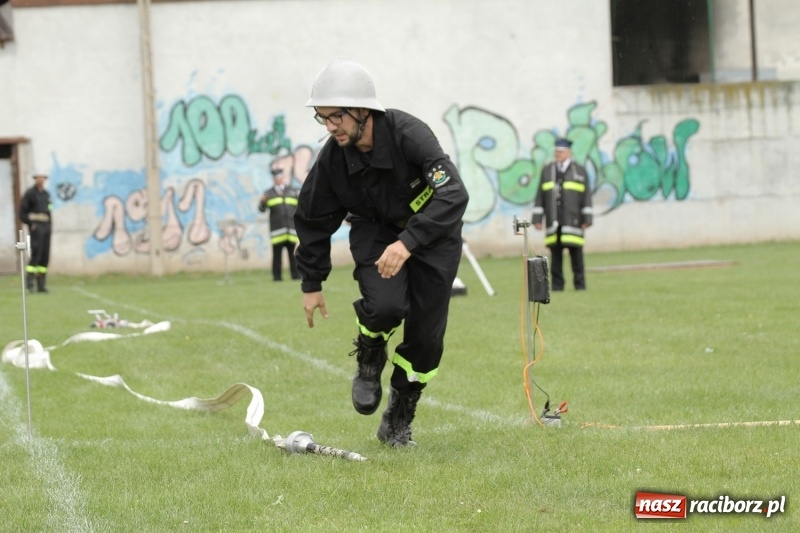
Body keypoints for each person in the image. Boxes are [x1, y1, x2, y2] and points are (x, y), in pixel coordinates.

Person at [294, 58, 469, 447]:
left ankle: (399, 418)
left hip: (433, 237)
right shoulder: (332, 159)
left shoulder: (411, 135)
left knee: (426, 341)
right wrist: (311, 282)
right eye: (322, 118)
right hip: (374, 232)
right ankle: (370, 355)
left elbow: (454, 193)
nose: (331, 127)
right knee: (385, 306)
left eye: (336, 116)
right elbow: (311, 217)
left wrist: (408, 242)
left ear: (363, 110)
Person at [532, 138, 593, 290]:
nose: (558, 154)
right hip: (554, 221)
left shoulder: (579, 171)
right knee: (556, 257)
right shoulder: (548, 171)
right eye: (556, 152)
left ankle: (580, 285)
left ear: (568, 152)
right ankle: (557, 286)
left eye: (561, 152)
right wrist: (537, 219)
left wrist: (587, 218)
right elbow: (540, 196)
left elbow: (586, 197)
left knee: (576, 256)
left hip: (573, 221)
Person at [258, 153, 301, 281]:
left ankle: (295, 275)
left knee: (293, 255)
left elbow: (299, 208)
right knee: (277, 256)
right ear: (273, 179)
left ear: (283, 178)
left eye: (280, 177)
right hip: (277, 231)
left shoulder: (292, 191)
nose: (278, 179)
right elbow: (261, 210)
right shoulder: (268, 193)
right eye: (276, 178)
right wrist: (262, 202)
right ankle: (277, 277)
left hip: (291, 230)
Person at [19, 172, 53, 293]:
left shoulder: (47, 194)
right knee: (36, 254)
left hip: (46, 227)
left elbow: (50, 211)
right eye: (39, 177)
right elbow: (22, 212)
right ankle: (30, 283)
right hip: (36, 227)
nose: (41, 180)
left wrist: (50, 226)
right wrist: (31, 224)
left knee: (45, 256)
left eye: (43, 177)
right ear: (35, 179)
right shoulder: (30, 194)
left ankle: (41, 284)